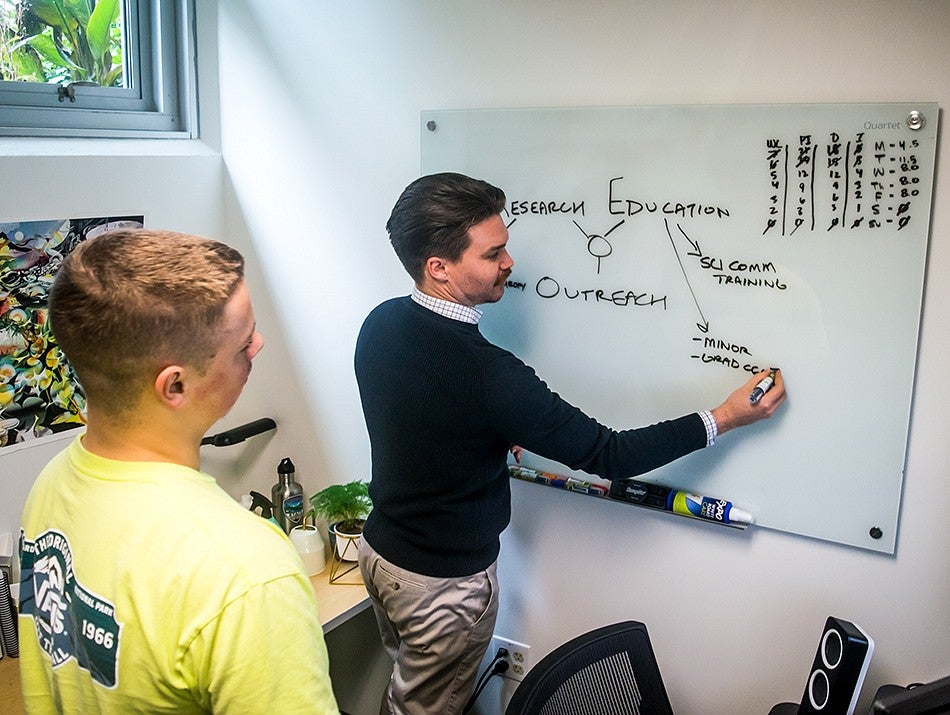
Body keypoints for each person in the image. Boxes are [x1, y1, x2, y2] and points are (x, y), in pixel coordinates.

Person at [354, 172, 786, 714]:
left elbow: (417, 416)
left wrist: (483, 437)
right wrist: (722, 417)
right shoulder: (492, 378)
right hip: (443, 587)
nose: (509, 262)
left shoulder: (380, 324)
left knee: (409, 688)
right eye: (494, 254)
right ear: (438, 267)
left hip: (381, 557)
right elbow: (612, 456)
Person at [17, 229, 339, 714]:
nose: (260, 345)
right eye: (243, 343)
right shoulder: (245, 572)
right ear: (175, 385)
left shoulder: (52, 484)